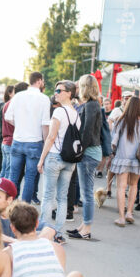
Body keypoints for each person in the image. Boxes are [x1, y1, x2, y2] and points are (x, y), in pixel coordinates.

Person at [38, 81, 80, 243]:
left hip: (55, 156)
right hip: (70, 160)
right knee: (62, 197)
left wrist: (41, 159)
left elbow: (51, 137)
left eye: (59, 90)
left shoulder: (58, 113)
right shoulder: (76, 114)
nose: (55, 93)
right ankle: (58, 233)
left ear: (69, 93)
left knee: (48, 196)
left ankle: (43, 231)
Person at [5, 72, 50, 203]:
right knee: (30, 177)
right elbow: (45, 125)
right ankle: (24, 208)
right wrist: (46, 143)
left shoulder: (18, 96)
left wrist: (19, 125)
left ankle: (10, 205)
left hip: (18, 140)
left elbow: (8, 117)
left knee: (13, 175)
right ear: (40, 81)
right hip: (34, 142)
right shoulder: (44, 99)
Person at [110, 96, 140, 227]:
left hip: (122, 157)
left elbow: (113, 142)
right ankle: (129, 213)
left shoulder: (120, 121)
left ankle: (121, 218)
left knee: (121, 187)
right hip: (137, 159)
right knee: (134, 185)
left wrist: (113, 152)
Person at [67, 75, 102, 240]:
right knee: (86, 193)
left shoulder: (92, 105)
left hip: (88, 153)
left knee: (87, 194)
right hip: (90, 152)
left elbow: (87, 131)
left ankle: (86, 228)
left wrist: (79, 151)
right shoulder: (92, 104)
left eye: (80, 86)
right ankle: (83, 226)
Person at [0, 85, 16, 180]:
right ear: (10, 93)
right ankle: (0, 193)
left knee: (4, 170)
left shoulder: (5, 105)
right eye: (15, 92)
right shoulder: (12, 105)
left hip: (5, 141)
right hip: (9, 141)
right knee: (7, 171)